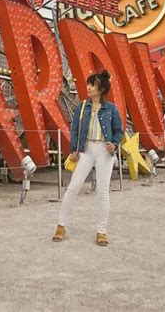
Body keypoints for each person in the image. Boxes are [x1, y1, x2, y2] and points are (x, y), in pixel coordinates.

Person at [53, 70, 124, 246]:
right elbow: (75, 129)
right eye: (89, 84)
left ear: (100, 89)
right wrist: (73, 149)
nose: (88, 87)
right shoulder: (82, 107)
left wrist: (114, 144)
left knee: (103, 192)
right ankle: (61, 226)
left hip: (104, 152)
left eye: (92, 84)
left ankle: (101, 231)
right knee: (73, 187)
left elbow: (119, 131)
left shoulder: (111, 109)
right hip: (85, 150)